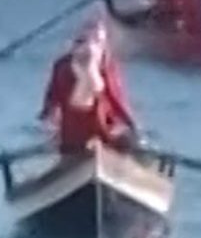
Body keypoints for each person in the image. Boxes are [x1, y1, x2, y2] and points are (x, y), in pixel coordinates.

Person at [39, 22, 138, 154]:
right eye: (85, 41)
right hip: (73, 131)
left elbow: (115, 97)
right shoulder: (63, 66)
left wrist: (130, 124)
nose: (92, 46)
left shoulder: (108, 65)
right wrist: (48, 115)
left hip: (103, 125)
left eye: (99, 41)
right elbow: (54, 95)